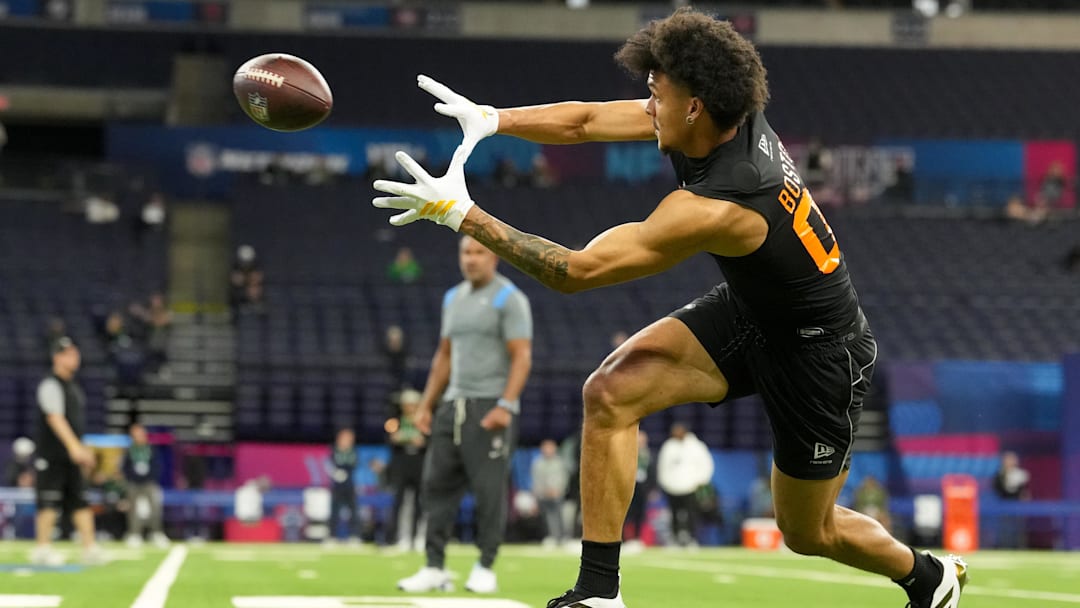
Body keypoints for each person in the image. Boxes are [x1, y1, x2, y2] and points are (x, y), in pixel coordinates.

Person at [370, 8, 967, 608]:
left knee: (809, 531)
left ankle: (924, 574)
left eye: (657, 93)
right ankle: (599, 592)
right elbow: (583, 122)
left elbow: (579, 272)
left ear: (694, 107)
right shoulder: (714, 117)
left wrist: (461, 215)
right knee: (609, 393)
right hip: (752, 311)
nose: (646, 104)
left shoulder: (722, 202)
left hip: (818, 351)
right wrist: (492, 119)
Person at [396, 236, 533, 594]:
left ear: (495, 258)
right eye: (466, 252)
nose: (471, 259)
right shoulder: (452, 298)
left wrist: (506, 404)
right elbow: (444, 356)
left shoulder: (509, 298)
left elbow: (522, 356)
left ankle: (486, 566)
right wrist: (426, 405)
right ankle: (433, 567)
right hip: (451, 406)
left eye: (479, 253)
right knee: (434, 488)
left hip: (490, 407)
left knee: (489, 493)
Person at [31, 337, 105, 566]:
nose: (74, 358)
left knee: (80, 500)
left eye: (75, 353)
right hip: (52, 455)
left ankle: (89, 547)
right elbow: (55, 418)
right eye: (68, 354)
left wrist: (82, 448)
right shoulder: (50, 385)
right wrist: (74, 447)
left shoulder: (73, 388)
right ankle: (42, 548)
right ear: (57, 357)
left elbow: (75, 423)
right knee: (49, 502)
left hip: (71, 457)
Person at [656, 422, 713, 547]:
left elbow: (706, 464)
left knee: (692, 514)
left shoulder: (696, 446)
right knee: (674, 514)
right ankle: (675, 539)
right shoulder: (669, 446)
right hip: (672, 488)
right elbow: (662, 466)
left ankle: (692, 539)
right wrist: (665, 483)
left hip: (690, 487)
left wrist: (701, 482)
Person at [385, 389, 427, 550]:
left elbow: (429, 440)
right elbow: (391, 439)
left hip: (419, 464)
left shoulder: (423, 420)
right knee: (398, 502)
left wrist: (421, 442)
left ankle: (416, 537)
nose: (409, 408)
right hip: (401, 464)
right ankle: (395, 538)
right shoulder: (395, 420)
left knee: (419, 503)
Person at [121, 422, 169, 548]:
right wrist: (133, 477)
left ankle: (157, 533)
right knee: (133, 509)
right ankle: (134, 534)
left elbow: (157, 466)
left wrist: (150, 477)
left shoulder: (151, 449)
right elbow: (125, 468)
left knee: (155, 507)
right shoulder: (129, 450)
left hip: (149, 482)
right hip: (133, 483)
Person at [531, 438, 569, 546]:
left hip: (557, 495)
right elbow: (536, 481)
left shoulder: (559, 462)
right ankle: (549, 536)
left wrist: (557, 490)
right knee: (545, 515)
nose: (548, 450)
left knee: (557, 514)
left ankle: (561, 537)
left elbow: (563, 479)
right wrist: (542, 492)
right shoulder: (538, 463)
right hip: (542, 495)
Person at [326, 428, 361, 542]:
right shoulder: (334, 450)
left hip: (349, 485)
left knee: (353, 511)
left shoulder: (353, 451)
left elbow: (354, 464)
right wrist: (334, 473)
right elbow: (329, 464)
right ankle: (332, 536)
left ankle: (354, 536)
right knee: (334, 511)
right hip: (337, 486)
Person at [623, 429, 655, 545]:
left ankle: (636, 538)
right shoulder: (627, 453)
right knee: (626, 514)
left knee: (640, 514)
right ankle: (624, 538)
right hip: (628, 486)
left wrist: (652, 488)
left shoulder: (648, 455)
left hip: (643, 488)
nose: (640, 443)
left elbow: (653, 472)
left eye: (642, 440)